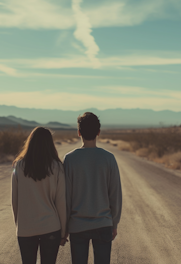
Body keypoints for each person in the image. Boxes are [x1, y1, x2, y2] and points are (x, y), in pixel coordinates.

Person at [63, 112, 122, 264]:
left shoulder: (70, 159)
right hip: (103, 224)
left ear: (78, 132)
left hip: (77, 225)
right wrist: (114, 223)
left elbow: (66, 197)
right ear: (98, 132)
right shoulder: (109, 158)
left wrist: (65, 226)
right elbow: (115, 195)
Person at [12, 127, 68, 264]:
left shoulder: (19, 166)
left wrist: (20, 225)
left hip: (26, 228)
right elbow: (61, 202)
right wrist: (63, 232)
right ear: (50, 144)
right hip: (50, 227)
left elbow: (15, 201)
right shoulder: (57, 167)